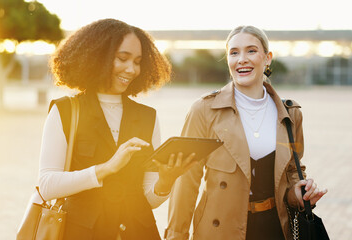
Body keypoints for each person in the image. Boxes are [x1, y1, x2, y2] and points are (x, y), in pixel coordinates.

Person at [165, 25, 328, 240]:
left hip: (276, 229)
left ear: (267, 58)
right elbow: (185, 181)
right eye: (234, 53)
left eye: (251, 51)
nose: (242, 59)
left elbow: (292, 173)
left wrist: (297, 194)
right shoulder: (203, 110)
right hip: (219, 231)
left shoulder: (290, 114)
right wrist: (176, 235)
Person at [37, 18, 195, 240]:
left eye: (138, 61)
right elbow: (46, 186)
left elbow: (148, 199)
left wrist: (166, 181)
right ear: (96, 56)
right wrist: (106, 168)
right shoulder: (65, 111)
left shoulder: (147, 116)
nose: (131, 69)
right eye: (123, 58)